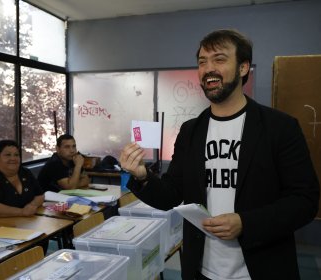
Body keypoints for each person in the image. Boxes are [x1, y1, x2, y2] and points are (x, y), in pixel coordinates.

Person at [119, 29, 319, 280]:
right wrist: (142, 176)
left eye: (219, 59)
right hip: (201, 271)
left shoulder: (280, 127)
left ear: (243, 68)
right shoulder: (191, 131)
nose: (208, 68)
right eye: (202, 62)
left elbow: (305, 201)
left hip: (263, 269)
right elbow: (171, 194)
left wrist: (246, 223)